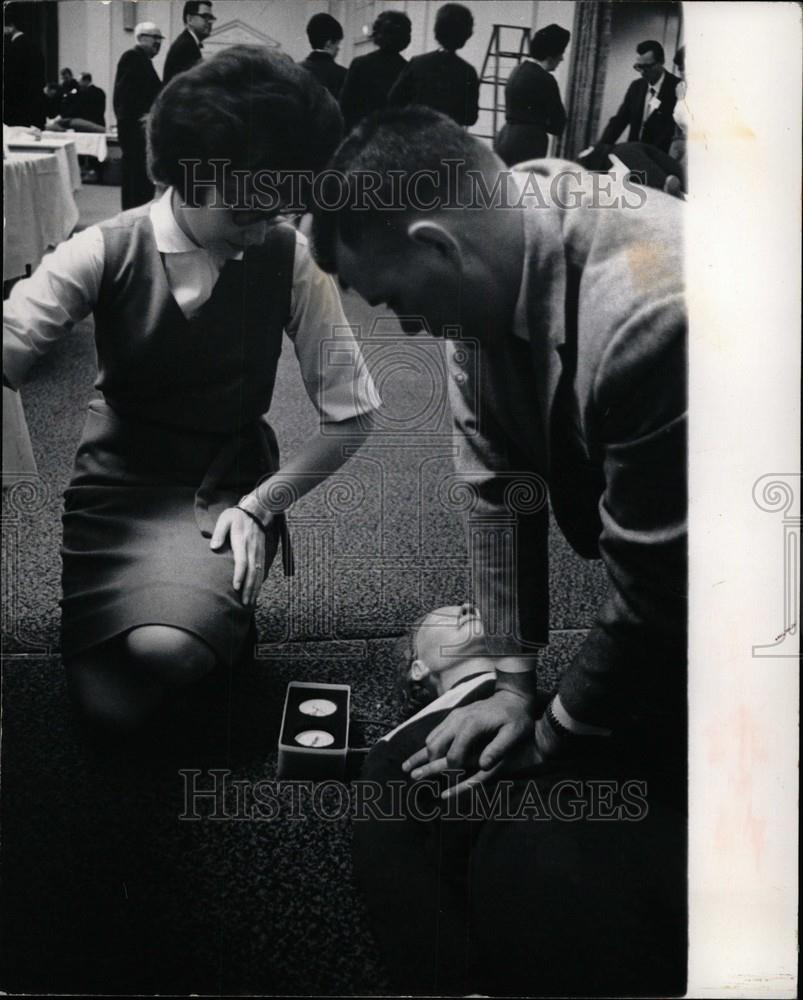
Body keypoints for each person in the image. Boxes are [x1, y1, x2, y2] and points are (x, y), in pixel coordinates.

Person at [314, 107, 687, 992]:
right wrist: (514, 681)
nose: (405, 328)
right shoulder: (485, 273)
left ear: (437, 245)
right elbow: (497, 488)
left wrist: (551, 732)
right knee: (407, 780)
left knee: (543, 877)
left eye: (401, 303)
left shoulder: (655, 312)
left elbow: (663, 596)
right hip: (675, 626)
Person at [3, 46, 379, 740]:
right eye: (244, 212)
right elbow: (10, 346)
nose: (262, 229)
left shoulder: (286, 254)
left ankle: (212, 613)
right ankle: (204, 621)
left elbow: (353, 416)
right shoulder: (106, 247)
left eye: (279, 210)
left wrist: (263, 506)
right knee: (108, 710)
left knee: (162, 655)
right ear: (184, 178)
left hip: (222, 485)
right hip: (114, 486)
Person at [388, 3, 479, 127]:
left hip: (416, 134)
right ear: (466, 34)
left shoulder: (417, 63)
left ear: (438, 29)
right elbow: (470, 118)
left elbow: (394, 99)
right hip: (449, 138)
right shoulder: (468, 72)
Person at [494, 23, 570, 166]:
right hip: (529, 145)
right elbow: (558, 125)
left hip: (504, 138)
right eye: (561, 53)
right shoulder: (546, 79)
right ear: (551, 55)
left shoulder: (517, 70)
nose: (562, 59)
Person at [595, 39, 680, 153]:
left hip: (660, 159)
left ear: (662, 61)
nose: (643, 72)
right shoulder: (636, 87)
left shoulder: (677, 88)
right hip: (635, 155)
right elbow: (620, 121)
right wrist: (601, 147)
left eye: (648, 67)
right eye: (639, 67)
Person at [113, 20, 164, 209]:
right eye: (155, 37)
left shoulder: (142, 60)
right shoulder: (132, 58)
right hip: (135, 135)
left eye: (160, 38)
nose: (158, 42)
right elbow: (125, 100)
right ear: (141, 38)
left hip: (136, 133)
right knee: (136, 185)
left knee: (138, 184)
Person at [339, 10, 411, 131]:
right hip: (393, 137)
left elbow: (345, 106)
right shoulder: (408, 69)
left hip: (362, 135)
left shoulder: (360, 64)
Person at [3, 5, 47, 128]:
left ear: (11, 26)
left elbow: (10, 81)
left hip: (17, 109)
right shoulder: (35, 46)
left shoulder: (13, 48)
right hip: (34, 109)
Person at [163, 1, 216, 84]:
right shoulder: (186, 46)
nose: (209, 22)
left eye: (211, 18)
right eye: (205, 16)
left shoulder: (187, 42)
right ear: (190, 19)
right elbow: (190, 85)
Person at [300, 13, 347, 100]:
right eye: (337, 43)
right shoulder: (344, 75)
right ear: (328, 44)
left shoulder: (296, 69)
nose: (338, 49)